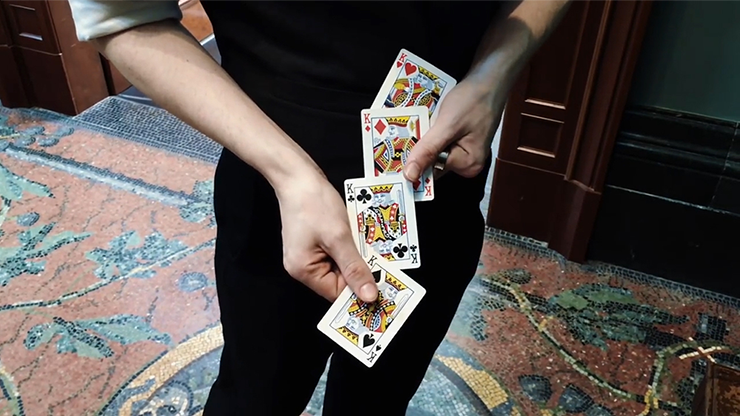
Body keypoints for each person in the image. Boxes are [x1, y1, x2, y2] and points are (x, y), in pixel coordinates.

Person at [68, 0, 572, 414]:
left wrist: (492, 74)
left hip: (436, 185)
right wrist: (291, 174)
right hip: (271, 203)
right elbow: (122, 17)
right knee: (255, 397)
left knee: (380, 398)